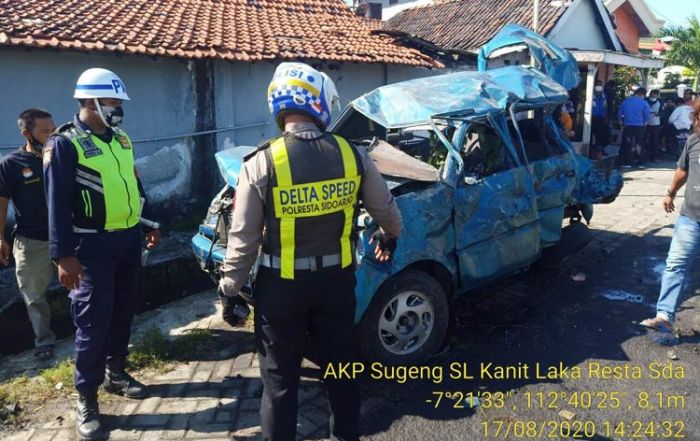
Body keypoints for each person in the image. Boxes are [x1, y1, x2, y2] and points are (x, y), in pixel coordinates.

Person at [219, 62, 402, 441]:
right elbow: (386, 210)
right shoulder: (353, 155)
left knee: (281, 385)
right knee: (341, 371)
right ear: (317, 103)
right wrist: (389, 237)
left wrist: (229, 289)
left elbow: (243, 239)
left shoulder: (260, 163)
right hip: (336, 283)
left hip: (280, 289)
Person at [43, 68, 160, 440]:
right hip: (88, 248)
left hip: (126, 241)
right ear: (90, 102)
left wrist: (149, 221)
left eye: (119, 102)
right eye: (113, 102)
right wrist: (63, 256)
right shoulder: (65, 143)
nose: (119, 108)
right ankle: (86, 397)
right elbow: (56, 203)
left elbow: (132, 183)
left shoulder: (121, 138)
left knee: (124, 310)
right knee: (92, 324)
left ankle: (116, 373)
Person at [0, 109, 56, 359]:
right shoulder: (11, 164)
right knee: (34, 296)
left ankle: (88, 333)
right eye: (45, 131)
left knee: (84, 288)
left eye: (53, 129)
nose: (52, 135)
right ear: (26, 133)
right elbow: (1, 202)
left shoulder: (61, 156)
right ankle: (44, 340)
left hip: (69, 235)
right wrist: (0, 238)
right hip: (31, 241)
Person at [640, 100, 700, 332]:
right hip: (691, 217)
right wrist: (670, 193)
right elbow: (682, 170)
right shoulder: (694, 141)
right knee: (675, 265)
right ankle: (664, 315)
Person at [618, 87, 651, 168]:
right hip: (640, 126)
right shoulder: (644, 103)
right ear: (642, 94)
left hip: (628, 125)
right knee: (639, 144)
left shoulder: (625, 101)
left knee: (627, 144)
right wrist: (645, 124)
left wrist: (621, 124)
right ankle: (640, 163)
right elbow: (647, 115)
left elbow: (619, 114)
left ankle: (628, 163)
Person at [591, 81, 608, 158]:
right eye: (597, 85)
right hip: (592, 117)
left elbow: (605, 107)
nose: (599, 86)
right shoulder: (591, 94)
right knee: (591, 134)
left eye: (600, 85)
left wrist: (605, 116)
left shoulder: (603, 95)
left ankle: (599, 150)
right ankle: (591, 150)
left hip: (601, 118)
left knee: (600, 135)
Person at [645, 89, 663, 162]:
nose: (654, 95)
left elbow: (663, 112)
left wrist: (658, 114)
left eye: (655, 94)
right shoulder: (645, 100)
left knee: (655, 140)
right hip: (646, 123)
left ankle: (655, 157)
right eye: (652, 93)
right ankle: (645, 156)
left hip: (656, 123)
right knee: (644, 140)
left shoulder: (660, 102)